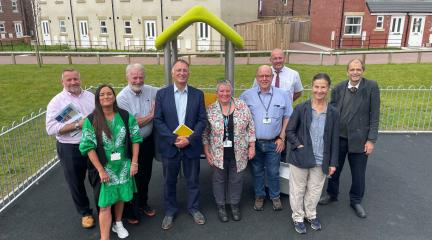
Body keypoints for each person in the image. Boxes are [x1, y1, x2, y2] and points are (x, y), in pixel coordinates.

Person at [319, 59, 380, 219]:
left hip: (360, 140)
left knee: (358, 173)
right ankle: (332, 194)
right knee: (334, 170)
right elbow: (331, 112)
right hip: (339, 138)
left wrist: (371, 140)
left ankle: (356, 200)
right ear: (347, 71)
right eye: (352, 69)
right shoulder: (339, 88)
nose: (355, 72)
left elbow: (375, 115)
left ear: (363, 71)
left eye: (358, 69)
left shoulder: (371, 87)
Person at [79, 85, 142, 240]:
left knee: (120, 196)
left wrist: (134, 163)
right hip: (105, 169)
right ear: (97, 98)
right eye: (102, 94)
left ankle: (118, 222)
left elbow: (136, 139)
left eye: (109, 94)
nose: (106, 97)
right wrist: (100, 170)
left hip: (123, 166)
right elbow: (88, 147)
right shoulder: (91, 120)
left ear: (114, 96)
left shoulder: (126, 116)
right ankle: (104, 237)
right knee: (105, 204)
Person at [154, 59, 207, 230]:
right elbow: (158, 120)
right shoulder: (162, 94)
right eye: (178, 70)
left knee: (193, 180)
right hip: (171, 146)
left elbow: (202, 120)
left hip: (190, 146)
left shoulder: (198, 94)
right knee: (169, 181)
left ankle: (194, 208)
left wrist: (189, 139)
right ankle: (170, 211)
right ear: (172, 73)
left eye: (185, 70)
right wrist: (173, 139)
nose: (182, 73)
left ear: (189, 73)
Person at [286, 73, 339, 234]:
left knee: (315, 190)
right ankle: (298, 217)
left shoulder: (333, 112)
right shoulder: (301, 108)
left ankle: (311, 214)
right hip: (301, 157)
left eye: (323, 87)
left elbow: (335, 139)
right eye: (317, 87)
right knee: (298, 189)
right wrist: (299, 145)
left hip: (322, 158)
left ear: (328, 88)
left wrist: (333, 162)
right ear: (311, 87)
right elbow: (289, 131)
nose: (319, 90)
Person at [46, 68, 95, 229]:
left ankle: (104, 208)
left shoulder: (90, 97)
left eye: (75, 79)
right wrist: (76, 125)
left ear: (80, 79)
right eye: (69, 80)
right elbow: (51, 128)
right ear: (63, 82)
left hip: (93, 145)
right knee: (76, 182)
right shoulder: (56, 102)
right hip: (70, 148)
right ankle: (85, 213)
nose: (73, 82)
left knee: (99, 177)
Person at [240, 65, 292, 211]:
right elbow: (240, 118)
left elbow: (288, 116)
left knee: (274, 171)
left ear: (272, 77)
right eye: (261, 76)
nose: (264, 79)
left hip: (275, 142)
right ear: (256, 78)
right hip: (254, 143)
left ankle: (275, 196)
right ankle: (259, 195)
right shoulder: (246, 95)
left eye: (267, 76)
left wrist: (282, 137)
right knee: (257, 171)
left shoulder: (283, 94)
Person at [202, 80, 256, 223]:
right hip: (218, 153)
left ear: (231, 91)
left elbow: (251, 126)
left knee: (237, 180)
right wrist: (207, 152)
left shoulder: (241, 106)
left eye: (227, 91)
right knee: (218, 180)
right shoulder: (211, 109)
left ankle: (234, 205)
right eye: (221, 91)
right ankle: (221, 206)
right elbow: (205, 133)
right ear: (217, 93)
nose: (225, 94)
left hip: (239, 152)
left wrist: (252, 146)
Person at [117, 63, 158, 224]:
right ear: (127, 77)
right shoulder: (122, 98)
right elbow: (133, 124)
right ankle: (130, 210)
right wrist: (152, 115)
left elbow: (168, 92)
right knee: (131, 176)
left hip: (146, 142)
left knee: (145, 175)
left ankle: (143, 203)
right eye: (134, 77)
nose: (138, 80)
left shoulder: (150, 90)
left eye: (141, 77)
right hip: (129, 144)